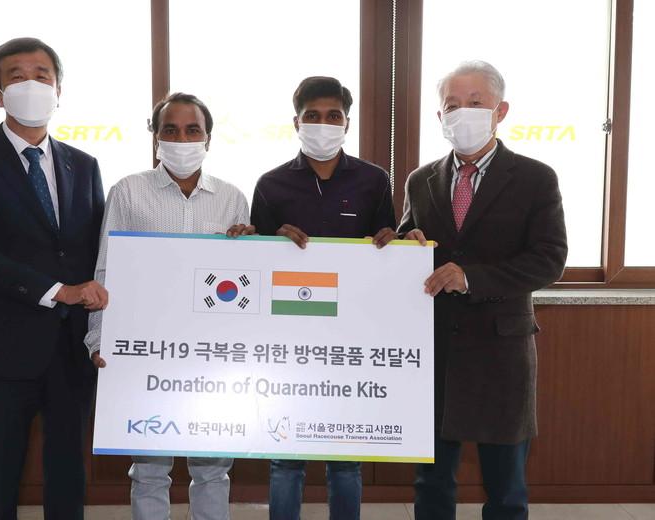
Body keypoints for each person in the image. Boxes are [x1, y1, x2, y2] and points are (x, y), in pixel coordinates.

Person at [0, 38, 108, 520]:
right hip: (3, 348)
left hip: (71, 348)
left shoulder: (83, 165)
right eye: (17, 76)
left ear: (58, 90)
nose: (31, 84)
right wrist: (59, 292)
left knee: (68, 475)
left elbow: (99, 251)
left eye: (42, 75)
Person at [397, 60, 568, 520]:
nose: (462, 113)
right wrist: (406, 243)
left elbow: (549, 258)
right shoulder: (420, 180)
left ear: (500, 110)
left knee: (506, 487)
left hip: (501, 350)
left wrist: (471, 278)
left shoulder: (535, 178)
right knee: (431, 481)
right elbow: (409, 239)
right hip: (434, 350)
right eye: (452, 105)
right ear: (440, 116)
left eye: (475, 103)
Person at [86, 92, 252, 520]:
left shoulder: (232, 198)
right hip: (147, 352)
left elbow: (244, 278)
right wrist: (99, 339)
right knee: (148, 470)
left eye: (192, 130)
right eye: (171, 130)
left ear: (208, 138)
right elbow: (107, 268)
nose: (182, 140)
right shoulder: (128, 191)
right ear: (155, 137)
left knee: (213, 469)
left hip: (212, 355)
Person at [251, 76, 398, 520]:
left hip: (352, 339)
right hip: (287, 340)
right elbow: (254, 265)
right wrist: (269, 241)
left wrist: (393, 243)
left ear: (347, 123)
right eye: (312, 116)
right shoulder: (271, 184)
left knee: (345, 459)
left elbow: (388, 251)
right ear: (296, 122)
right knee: (285, 457)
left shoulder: (374, 180)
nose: (323, 124)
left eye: (333, 116)